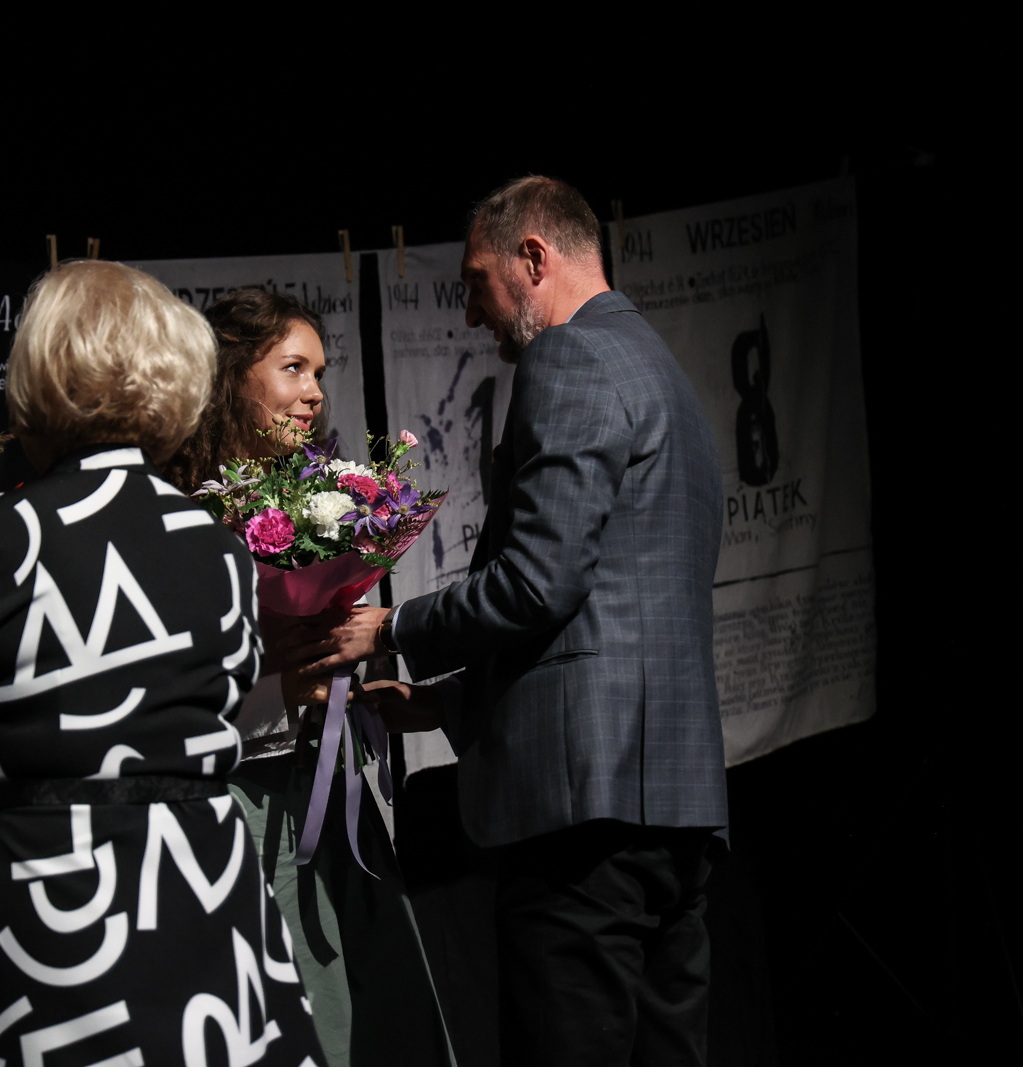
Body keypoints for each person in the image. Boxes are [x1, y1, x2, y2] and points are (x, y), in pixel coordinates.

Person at [0, 261, 325, 1066]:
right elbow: (223, 705)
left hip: (45, 910)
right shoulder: (220, 548)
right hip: (204, 901)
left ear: (38, 374)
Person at [303, 176, 729, 1064]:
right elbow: (611, 617)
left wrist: (390, 627)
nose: (470, 315)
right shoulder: (666, 374)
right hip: (676, 811)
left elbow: (539, 582)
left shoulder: (570, 358)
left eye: (476, 283)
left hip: (581, 819)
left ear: (534, 258)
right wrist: (443, 704)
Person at [163, 289, 454, 1067]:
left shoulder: (320, 498)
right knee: (290, 1001)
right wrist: (280, 683)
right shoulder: (183, 514)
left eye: (319, 372)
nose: (315, 392)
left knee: (375, 995)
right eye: (293, 368)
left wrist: (339, 658)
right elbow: (170, 696)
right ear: (232, 378)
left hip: (328, 782)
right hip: (242, 799)